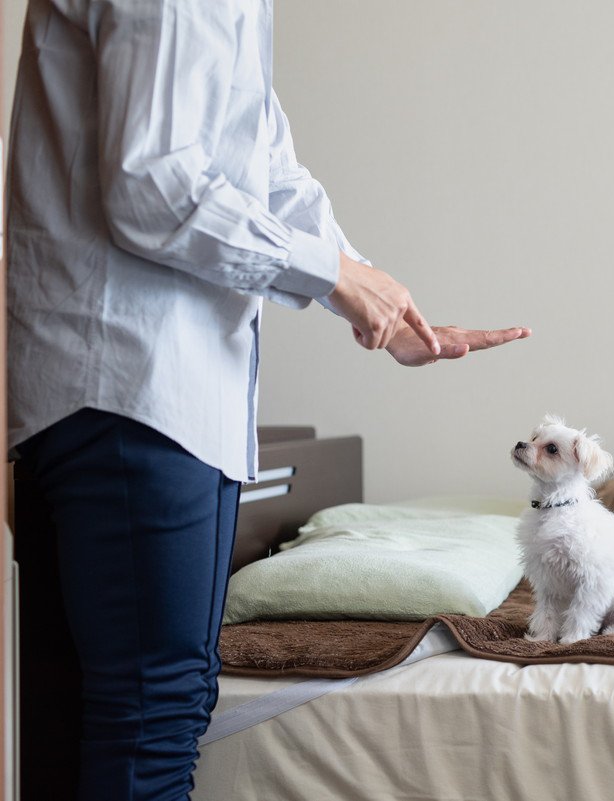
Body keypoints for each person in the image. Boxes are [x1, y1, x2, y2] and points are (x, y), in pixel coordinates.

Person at [5, 1, 530, 798]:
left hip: (118, 387)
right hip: (135, 390)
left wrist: (379, 303)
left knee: (86, 716)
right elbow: (155, 180)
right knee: (150, 716)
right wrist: (336, 278)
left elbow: (261, 165)